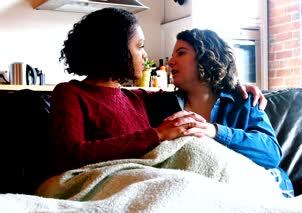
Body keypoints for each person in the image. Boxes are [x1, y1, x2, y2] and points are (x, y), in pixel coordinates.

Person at [48, 7, 266, 173]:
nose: (145, 55)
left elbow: (199, 89)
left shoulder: (140, 98)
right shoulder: (70, 93)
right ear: (115, 49)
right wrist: (157, 134)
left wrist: (231, 84)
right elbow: (68, 155)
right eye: (139, 46)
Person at [165, 28, 294, 197]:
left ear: (207, 57)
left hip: (250, 189)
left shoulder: (244, 100)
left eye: (181, 53)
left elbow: (271, 154)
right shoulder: (165, 105)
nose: (171, 62)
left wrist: (216, 132)